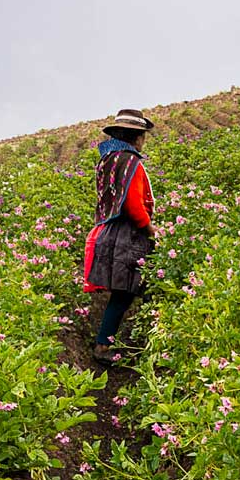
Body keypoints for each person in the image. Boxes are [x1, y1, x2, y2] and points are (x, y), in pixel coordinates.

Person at [82, 108, 156, 364]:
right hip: (128, 234)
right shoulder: (130, 162)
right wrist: (150, 229)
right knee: (132, 291)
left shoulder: (109, 160)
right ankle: (105, 347)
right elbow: (134, 205)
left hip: (111, 230)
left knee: (126, 292)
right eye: (142, 136)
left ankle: (123, 341)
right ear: (136, 136)